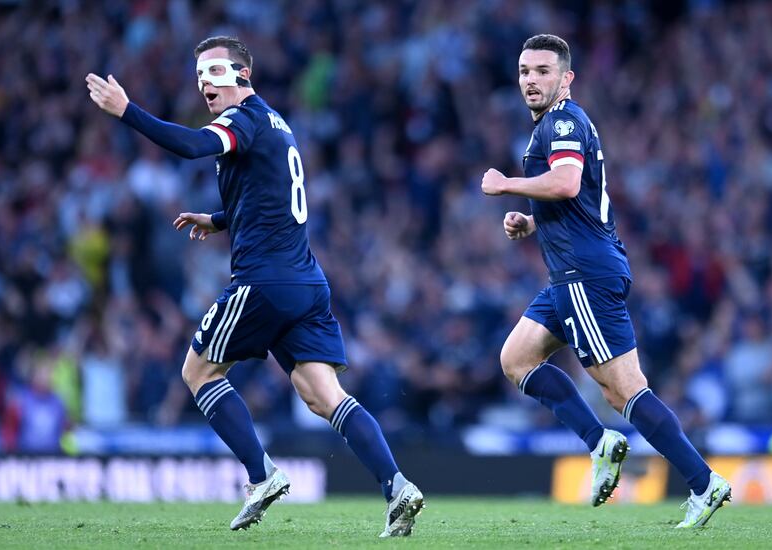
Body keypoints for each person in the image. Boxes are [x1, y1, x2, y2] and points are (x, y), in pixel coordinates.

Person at [86, 36, 423, 537]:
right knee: (323, 394)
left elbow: (191, 146)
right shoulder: (275, 123)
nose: (205, 82)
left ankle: (262, 475)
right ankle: (397, 486)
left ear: (243, 74)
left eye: (215, 71)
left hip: (264, 281)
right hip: (307, 282)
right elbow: (272, 198)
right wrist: (222, 219)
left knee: (197, 371)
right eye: (199, 73)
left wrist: (127, 110)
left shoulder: (241, 121)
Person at [480, 34, 730, 528]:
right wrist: (530, 222)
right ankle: (600, 443)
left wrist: (507, 183)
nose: (531, 79)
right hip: (569, 275)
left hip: (585, 276)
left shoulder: (565, 119)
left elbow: (568, 182)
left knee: (623, 390)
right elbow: (578, 200)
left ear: (566, 78)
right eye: (525, 71)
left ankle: (704, 483)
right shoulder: (552, 126)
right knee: (517, 358)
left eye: (544, 71)